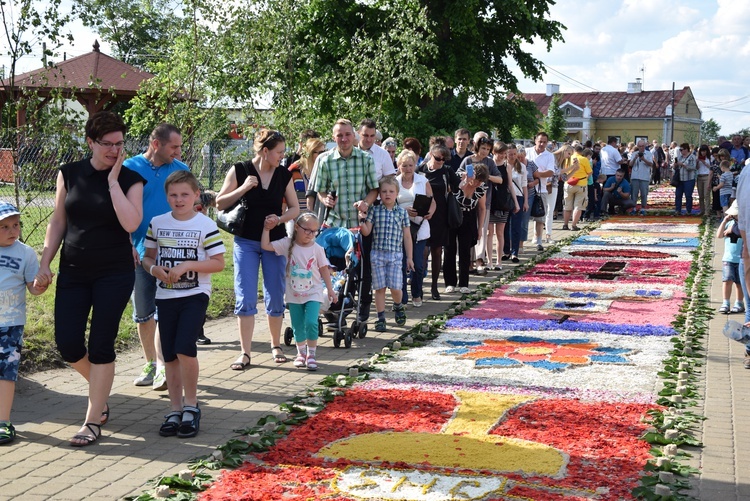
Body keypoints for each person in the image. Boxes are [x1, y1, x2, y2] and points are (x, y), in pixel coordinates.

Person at [36, 111, 145, 446]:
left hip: (114, 272)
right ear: (90, 142)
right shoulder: (70, 174)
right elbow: (58, 222)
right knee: (68, 344)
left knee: (101, 344)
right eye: (107, 144)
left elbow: (131, 223)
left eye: (119, 144)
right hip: (73, 269)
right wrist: (44, 263)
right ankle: (100, 390)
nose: (114, 150)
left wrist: (113, 182)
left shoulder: (130, 179)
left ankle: (92, 418)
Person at [142, 171, 225, 438]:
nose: (179, 200)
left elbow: (218, 263)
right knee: (169, 354)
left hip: (194, 295)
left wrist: (188, 265)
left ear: (196, 196)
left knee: (185, 348)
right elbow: (148, 257)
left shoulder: (204, 225)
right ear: (166, 196)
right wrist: (154, 270)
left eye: (184, 195)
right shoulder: (157, 222)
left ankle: (192, 406)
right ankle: (174, 409)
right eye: (173, 195)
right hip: (165, 296)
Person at [217, 129, 299, 370]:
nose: (283, 157)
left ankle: (275, 345)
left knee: (275, 293)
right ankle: (245, 352)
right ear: (265, 151)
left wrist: (280, 219)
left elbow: (295, 208)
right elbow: (220, 202)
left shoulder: (284, 175)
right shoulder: (240, 169)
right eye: (279, 152)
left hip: (274, 242)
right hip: (246, 242)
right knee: (245, 296)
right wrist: (242, 188)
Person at [125, 123, 189, 391]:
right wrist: (126, 241)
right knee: (143, 312)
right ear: (156, 144)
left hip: (172, 252)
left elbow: (189, 207)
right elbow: (118, 207)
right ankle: (150, 363)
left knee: (166, 309)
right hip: (140, 252)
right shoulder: (130, 168)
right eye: (174, 146)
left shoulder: (181, 170)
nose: (178, 151)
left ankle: (164, 366)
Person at [313, 119, 379, 326]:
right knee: (336, 269)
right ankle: (333, 307)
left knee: (361, 270)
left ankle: (361, 311)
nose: (344, 139)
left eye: (347, 134)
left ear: (354, 136)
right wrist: (325, 199)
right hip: (334, 225)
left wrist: (365, 203)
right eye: (339, 135)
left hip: (359, 224)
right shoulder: (325, 160)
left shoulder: (365, 159)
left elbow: (374, 189)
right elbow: (320, 190)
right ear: (334, 138)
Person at [262, 212, 336, 371]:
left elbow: (324, 270)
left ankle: (311, 354)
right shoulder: (287, 244)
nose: (310, 234)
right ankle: (301, 354)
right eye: (307, 230)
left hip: (313, 292)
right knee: (297, 325)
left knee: (311, 322)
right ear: (297, 227)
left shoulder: (317, 249)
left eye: (314, 231)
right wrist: (267, 229)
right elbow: (265, 246)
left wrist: (330, 290)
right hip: (293, 294)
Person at [0, 203, 48, 445]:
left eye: (15, 225)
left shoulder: (25, 253)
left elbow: (32, 286)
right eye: (4, 226)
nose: (12, 230)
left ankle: (3, 421)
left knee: (6, 373)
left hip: (10, 324)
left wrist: (40, 285)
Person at [359, 176, 413, 332]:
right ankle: (381, 317)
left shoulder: (402, 213)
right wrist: (361, 221)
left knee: (396, 288)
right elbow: (367, 231)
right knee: (380, 288)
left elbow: (407, 236)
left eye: (391, 191)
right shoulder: (374, 211)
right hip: (377, 255)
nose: (387, 194)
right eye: (384, 191)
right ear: (379, 194)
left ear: (397, 193)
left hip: (396, 255)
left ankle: (398, 305)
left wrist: (409, 257)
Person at [418, 144, 459, 301]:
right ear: (430, 154)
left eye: (444, 159)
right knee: (422, 251)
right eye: (437, 158)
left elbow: (458, 187)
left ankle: (434, 285)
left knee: (437, 251)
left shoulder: (447, 171)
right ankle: (419, 285)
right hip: (422, 215)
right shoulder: (421, 170)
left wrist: (467, 182)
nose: (440, 162)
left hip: (440, 214)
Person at [396, 149, 435, 307]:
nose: (407, 168)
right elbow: (388, 203)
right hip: (399, 229)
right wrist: (404, 210)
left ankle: (417, 293)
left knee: (418, 264)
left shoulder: (422, 180)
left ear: (415, 166)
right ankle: (402, 297)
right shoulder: (394, 182)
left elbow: (432, 201)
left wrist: (430, 212)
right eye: (404, 165)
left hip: (419, 227)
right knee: (401, 263)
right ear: (399, 166)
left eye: (410, 165)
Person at [443, 163, 489, 293]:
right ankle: (450, 282)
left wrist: (480, 227)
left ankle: (464, 283)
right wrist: (464, 182)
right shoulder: (458, 178)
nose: (478, 184)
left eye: (481, 181)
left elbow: (482, 207)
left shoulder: (481, 187)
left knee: (465, 250)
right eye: (477, 180)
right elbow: (449, 192)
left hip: (469, 216)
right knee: (449, 249)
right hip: (453, 215)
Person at [525, 132, 556, 245]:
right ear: (535, 141)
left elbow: (550, 172)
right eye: (540, 141)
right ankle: (521, 242)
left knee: (540, 216)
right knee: (525, 216)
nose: (542, 144)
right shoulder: (527, 151)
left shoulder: (549, 155)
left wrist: (537, 175)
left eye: (544, 142)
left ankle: (539, 240)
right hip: (527, 189)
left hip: (541, 189)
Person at [716, 202, 745, 314]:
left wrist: (733, 230)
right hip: (728, 258)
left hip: (741, 258)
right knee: (727, 280)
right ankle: (725, 302)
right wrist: (724, 221)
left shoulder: (744, 224)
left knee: (739, 283)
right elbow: (719, 235)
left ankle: (739, 302)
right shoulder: (729, 223)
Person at [562, 145, 592, 229]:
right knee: (578, 206)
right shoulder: (584, 159)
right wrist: (585, 177)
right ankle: (574, 225)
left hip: (568, 183)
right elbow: (589, 172)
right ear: (582, 151)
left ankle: (565, 224)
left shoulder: (567, 158)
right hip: (581, 184)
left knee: (567, 205)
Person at [507, 147, 527, 266]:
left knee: (516, 225)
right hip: (505, 198)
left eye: (514, 154)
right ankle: (506, 251)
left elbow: (524, 184)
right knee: (504, 227)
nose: (513, 156)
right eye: (510, 154)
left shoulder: (521, 167)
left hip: (518, 197)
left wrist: (525, 201)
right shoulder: (503, 166)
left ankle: (515, 251)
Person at [628, 140, 653, 216]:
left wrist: (643, 159)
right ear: (637, 146)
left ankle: (643, 208)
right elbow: (630, 165)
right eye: (639, 146)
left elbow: (651, 164)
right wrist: (635, 158)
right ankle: (634, 208)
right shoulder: (634, 153)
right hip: (635, 176)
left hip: (644, 177)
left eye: (642, 146)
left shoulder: (648, 154)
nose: (641, 147)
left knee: (644, 194)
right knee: (634, 193)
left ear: (645, 146)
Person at [673, 142, 697, 216]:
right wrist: (675, 165)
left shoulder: (692, 157)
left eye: (682, 149)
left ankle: (688, 211)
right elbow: (675, 168)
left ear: (686, 149)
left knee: (688, 195)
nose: (680, 151)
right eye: (680, 150)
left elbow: (693, 167)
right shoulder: (680, 157)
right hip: (680, 179)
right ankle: (678, 210)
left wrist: (683, 165)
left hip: (689, 179)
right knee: (678, 195)